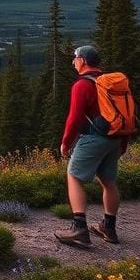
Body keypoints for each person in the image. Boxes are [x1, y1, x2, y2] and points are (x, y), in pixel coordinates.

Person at [54, 44, 127, 248]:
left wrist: (66, 142)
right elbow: (125, 114)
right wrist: (123, 142)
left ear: (83, 61)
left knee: (74, 176)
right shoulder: (111, 84)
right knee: (109, 182)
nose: (73, 62)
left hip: (94, 138)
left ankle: (79, 228)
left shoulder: (83, 85)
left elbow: (75, 118)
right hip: (115, 139)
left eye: (75, 58)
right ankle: (109, 228)